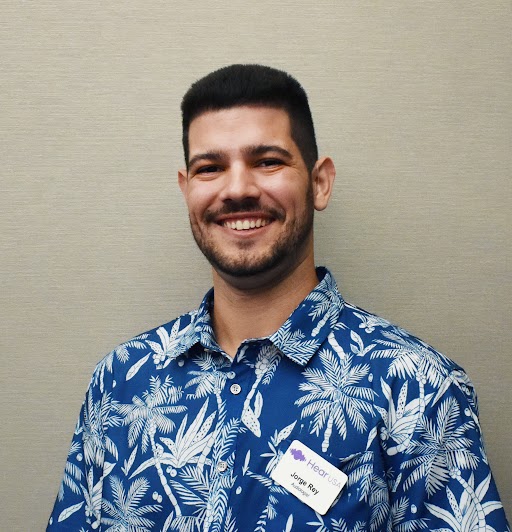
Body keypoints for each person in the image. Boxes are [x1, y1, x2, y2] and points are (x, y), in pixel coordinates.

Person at [48, 64, 509, 531]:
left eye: (267, 161)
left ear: (319, 182)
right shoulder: (119, 382)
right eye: (210, 168)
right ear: (187, 190)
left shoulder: (418, 389)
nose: (237, 189)